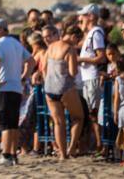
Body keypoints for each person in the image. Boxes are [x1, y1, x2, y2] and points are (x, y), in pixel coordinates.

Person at [0, 18, 35, 168]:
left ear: (0, 29)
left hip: (3, 88)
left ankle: (6, 156)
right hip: (15, 88)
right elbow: (31, 61)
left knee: (5, 124)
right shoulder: (16, 43)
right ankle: (13, 155)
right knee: (12, 124)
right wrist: (24, 77)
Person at [40, 25, 83, 160]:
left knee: (58, 123)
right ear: (73, 36)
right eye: (78, 39)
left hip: (49, 88)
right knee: (78, 118)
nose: (77, 43)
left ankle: (63, 155)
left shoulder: (50, 47)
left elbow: (44, 68)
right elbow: (73, 72)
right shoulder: (69, 49)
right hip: (65, 87)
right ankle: (71, 148)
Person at [77, 4, 106, 150]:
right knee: (90, 112)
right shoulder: (90, 33)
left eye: (84, 15)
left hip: (92, 76)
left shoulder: (96, 33)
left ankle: (100, 144)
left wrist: (81, 60)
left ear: (91, 16)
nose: (80, 18)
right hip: (87, 77)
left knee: (94, 112)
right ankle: (97, 143)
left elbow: (101, 57)